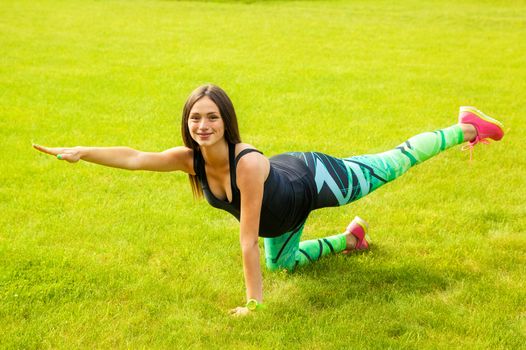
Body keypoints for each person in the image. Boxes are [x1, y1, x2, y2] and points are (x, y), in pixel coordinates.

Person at [33, 84, 505, 316]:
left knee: (391, 164)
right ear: (187, 123)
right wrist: (81, 152)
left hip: (312, 179)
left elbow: (246, 239)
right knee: (284, 265)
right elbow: (135, 157)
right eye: (196, 118)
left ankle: (464, 126)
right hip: (285, 217)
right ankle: (351, 239)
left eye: (212, 118)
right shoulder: (188, 159)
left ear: (226, 121)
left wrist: (253, 306)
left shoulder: (248, 165)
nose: (203, 126)